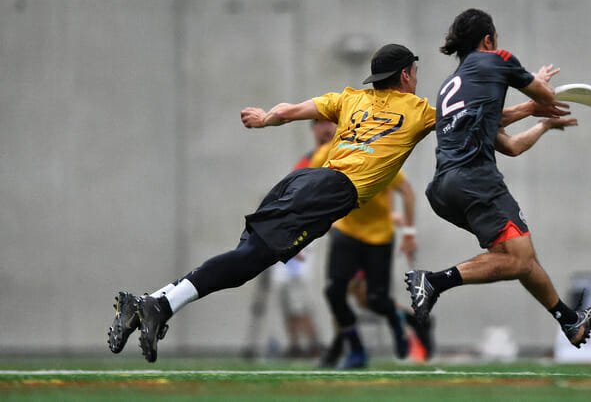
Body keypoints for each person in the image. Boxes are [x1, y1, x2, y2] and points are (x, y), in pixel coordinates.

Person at [107, 43, 438, 362]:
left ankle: (150, 302)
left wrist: (265, 118)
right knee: (247, 262)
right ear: (406, 75)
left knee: (243, 261)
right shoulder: (420, 111)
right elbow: (470, 122)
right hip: (332, 192)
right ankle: (158, 306)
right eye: (416, 72)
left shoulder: (351, 98)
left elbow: (290, 111)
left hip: (304, 179)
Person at [404, 8, 591, 349]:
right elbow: (546, 97)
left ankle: (569, 321)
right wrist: (540, 85)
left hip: (443, 190)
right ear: (488, 39)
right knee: (519, 258)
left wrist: (542, 124)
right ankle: (433, 282)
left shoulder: (453, 87)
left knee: (521, 256)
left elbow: (509, 146)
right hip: (475, 180)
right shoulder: (498, 59)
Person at [241, 119, 336, 359]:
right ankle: (297, 344)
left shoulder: (341, 157)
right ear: (313, 129)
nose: (326, 129)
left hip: (309, 233)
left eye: (330, 124)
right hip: (294, 232)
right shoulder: (306, 163)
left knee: (300, 290)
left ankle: (314, 342)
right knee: (286, 289)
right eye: (321, 124)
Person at [318, 168, 430, 369]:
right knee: (335, 292)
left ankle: (399, 319)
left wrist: (409, 233)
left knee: (375, 300)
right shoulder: (330, 156)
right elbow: (315, 194)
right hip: (346, 233)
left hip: (378, 238)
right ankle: (355, 349)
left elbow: (407, 191)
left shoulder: (383, 156)